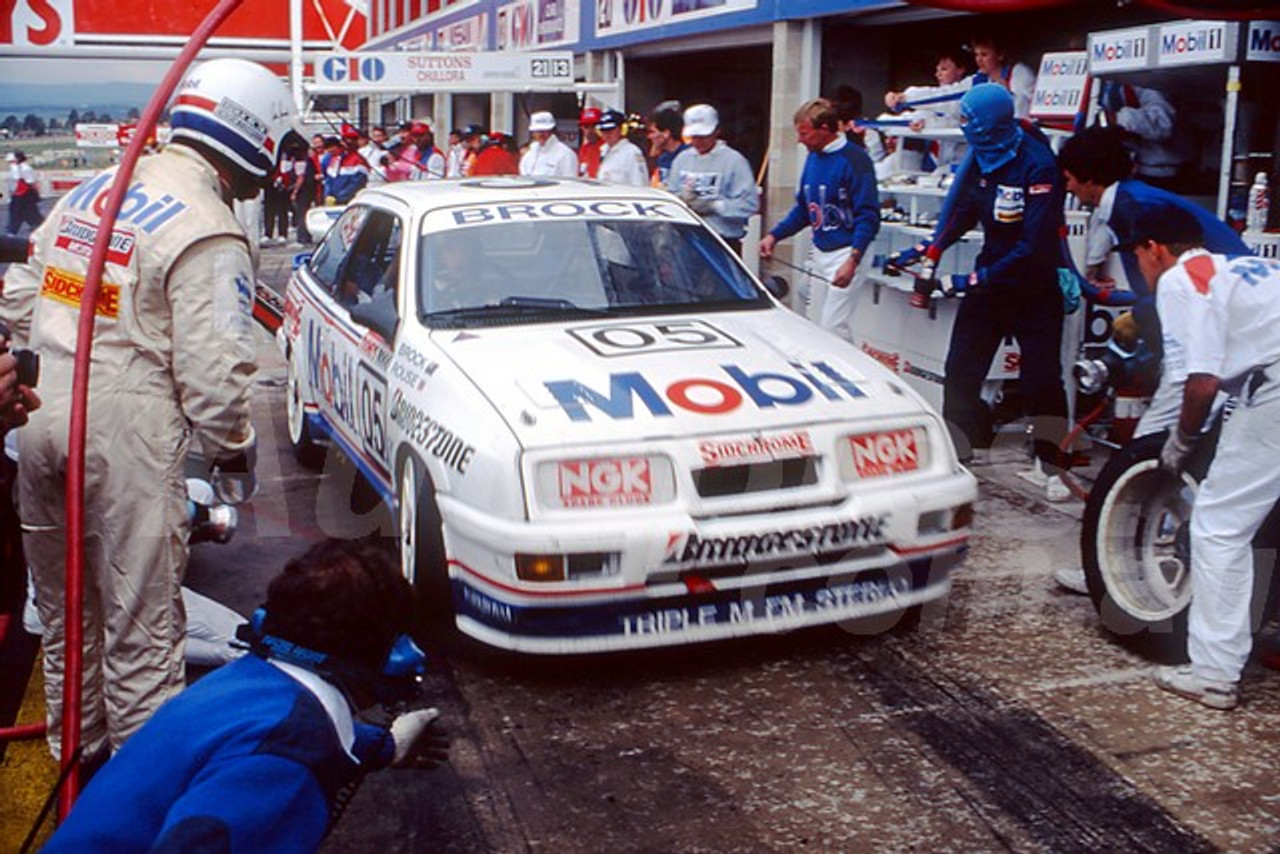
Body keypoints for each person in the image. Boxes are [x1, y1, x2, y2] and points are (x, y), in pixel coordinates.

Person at [0, 57, 293, 765]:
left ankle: (76, 766)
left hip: (36, 421)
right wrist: (234, 455)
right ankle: (137, 798)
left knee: (70, 624)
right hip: (127, 437)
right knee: (143, 634)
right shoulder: (209, 227)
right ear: (257, 140)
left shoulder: (96, 188)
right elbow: (217, 381)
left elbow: (18, 298)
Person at [44, 538, 450, 851]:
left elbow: (264, 736)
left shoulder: (245, 682)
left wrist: (386, 746)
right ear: (380, 652)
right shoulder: (285, 763)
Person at [1051, 126, 1251, 596]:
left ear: (1084, 177)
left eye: (1069, 179)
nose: (1068, 189)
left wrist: (1137, 328)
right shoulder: (1130, 199)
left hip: (1220, 330)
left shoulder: (1131, 207)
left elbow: (1167, 290)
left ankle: (1111, 564)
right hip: (1233, 328)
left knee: (1144, 451)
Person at [1118, 204, 1280, 710]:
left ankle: (1213, 673)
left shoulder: (1178, 281)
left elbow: (1201, 380)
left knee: (1219, 525)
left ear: (1154, 250)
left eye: (1139, 256)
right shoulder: (1249, 267)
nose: (1141, 269)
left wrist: (1181, 441)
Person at [901, 83, 1068, 468]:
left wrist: (967, 282)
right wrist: (932, 248)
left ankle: (1055, 462)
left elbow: (1032, 244)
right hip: (991, 276)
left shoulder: (1038, 164)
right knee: (960, 368)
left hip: (1033, 283)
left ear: (988, 123)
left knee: (1041, 380)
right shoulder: (979, 157)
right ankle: (961, 450)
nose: (963, 126)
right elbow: (963, 213)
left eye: (968, 119)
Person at [758, 98, 879, 340]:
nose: (800, 140)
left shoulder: (855, 160)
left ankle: (845, 374)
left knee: (833, 326)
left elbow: (869, 215)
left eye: (805, 133)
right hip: (821, 248)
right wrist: (775, 235)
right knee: (814, 321)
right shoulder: (814, 157)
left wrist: (853, 259)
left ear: (824, 129)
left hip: (847, 249)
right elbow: (804, 208)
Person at [665, 103, 759, 255]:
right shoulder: (682, 160)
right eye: (695, 137)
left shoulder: (734, 161)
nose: (699, 141)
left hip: (722, 242)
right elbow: (671, 194)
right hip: (687, 240)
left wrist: (715, 206)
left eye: (704, 136)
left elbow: (749, 204)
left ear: (717, 131)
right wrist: (681, 201)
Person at [1096, 80, 1189, 191]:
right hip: (1127, 170)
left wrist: (1118, 119)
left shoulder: (1144, 78)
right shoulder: (1102, 81)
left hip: (1162, 172)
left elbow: (1163, 122)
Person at [595, 109, 648, 187]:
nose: (607, 134)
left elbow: (640, 184)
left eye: (611, 130)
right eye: (603, 131)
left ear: (622, 129)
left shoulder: (632, 153)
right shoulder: (603, 151)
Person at [520, 111, 578, 178]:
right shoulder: (529, 155)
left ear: (552, 131)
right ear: (533, 133)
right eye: (538, 131)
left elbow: (570, 184)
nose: (541, 134)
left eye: (545, 130)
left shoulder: (566, 154)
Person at [324, 124, 370, 204]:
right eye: (346, 139)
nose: (349, 142)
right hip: (332, 202)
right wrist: (328, 195)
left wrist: (340, 198)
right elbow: (328, 179)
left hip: (349, 202)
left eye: (352, 139)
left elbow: (357, 184)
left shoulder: (358, 160)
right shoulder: (334, 159)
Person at [646, 101, 688, 188]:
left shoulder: (687, 155)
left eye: (653, 132)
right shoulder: (662, 158)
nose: (649, 137)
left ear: (666, 133)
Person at [6, 150, 44, 236]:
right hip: (22, 194)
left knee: (19, 212)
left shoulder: (24, 168)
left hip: (24, 194)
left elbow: (30, 182)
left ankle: (12, 231)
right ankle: (37, 225)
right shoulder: (20, 168)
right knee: (30, 212)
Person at [577, 107, 603, 179]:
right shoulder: (584, 149)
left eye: (593, 126)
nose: (590, 131)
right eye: (586, 127)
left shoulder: (608, 148)